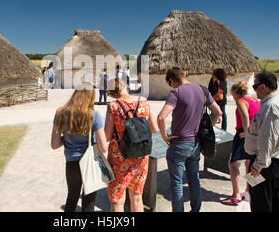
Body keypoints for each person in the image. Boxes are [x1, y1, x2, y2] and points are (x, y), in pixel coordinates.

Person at [157, 67, 222, 212]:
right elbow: (218, 112)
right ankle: (196, 209)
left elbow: (161, 117)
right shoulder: (203, 90)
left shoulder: (176, 92)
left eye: (170, 84)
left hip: (179, 143)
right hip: (195, 143)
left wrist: (164, 136)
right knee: (194, 180)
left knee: (176, 183)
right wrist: (206, 129)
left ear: (172, 80)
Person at [96, 77, 159, 212]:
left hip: (120, 157)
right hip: (141, 156)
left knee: (118, 200)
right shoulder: (143, 102)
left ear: (112, 93)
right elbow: (154, 129)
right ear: (125, 87)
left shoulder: (113, 106)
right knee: (137, 197)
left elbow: (106, 136)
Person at [245, 71, 279, 212]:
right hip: (276, 162)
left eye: (255, 87)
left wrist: (258, 164)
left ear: (263, 87)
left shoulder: (271, 106)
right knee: (274, 201)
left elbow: (268, 138)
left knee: (261, 204)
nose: (254, 91)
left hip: (266, 165)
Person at [50, 83, 105, 212]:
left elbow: (54, 144)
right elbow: (104, 147)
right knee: (89, 202)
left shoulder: (60, 112)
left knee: (72, 198)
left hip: (72, 163)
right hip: (90, 163)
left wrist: (67, 138)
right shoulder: (94, 114)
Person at [220, 81, 260, 206]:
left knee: (233, 164)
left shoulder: (241, 101)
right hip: (256, 134)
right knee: (250, 163)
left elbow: (245, 115)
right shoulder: (254, 100)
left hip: (243, 133)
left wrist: (246, 131)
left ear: (236, 93)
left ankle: (236, 195)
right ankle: (249, 192)